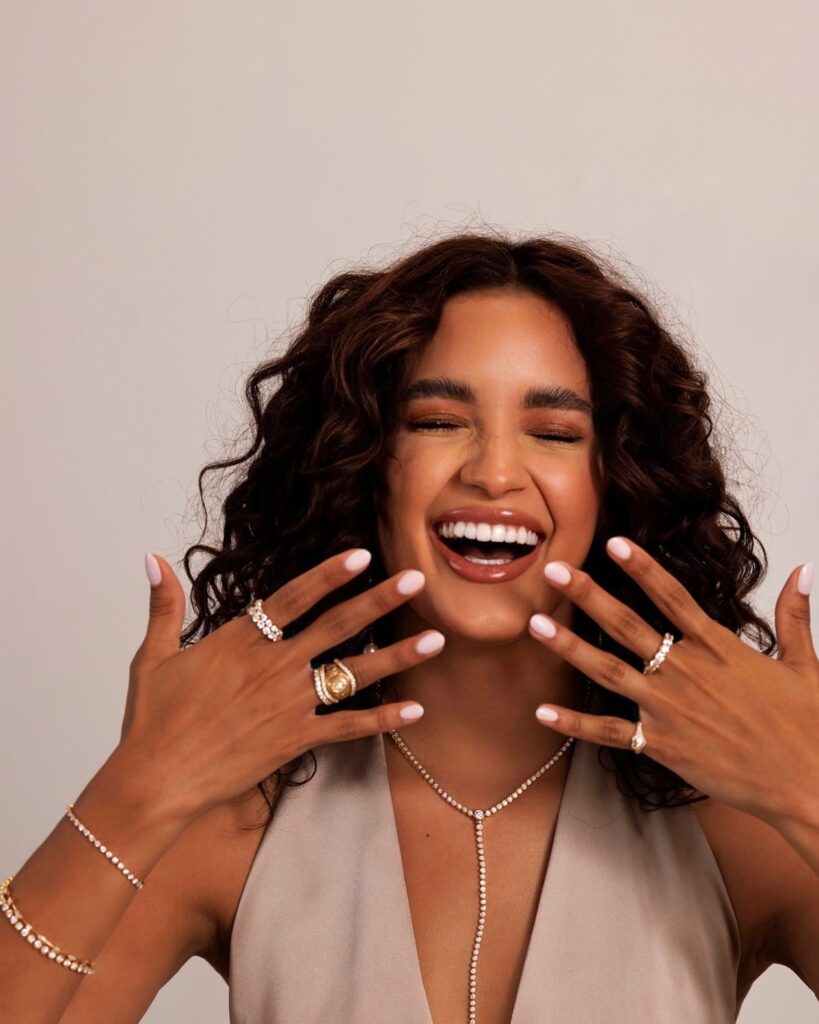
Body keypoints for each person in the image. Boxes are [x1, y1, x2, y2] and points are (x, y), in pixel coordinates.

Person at [2, 231, 817, 1024]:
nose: (493, 472)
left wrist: (808, 790)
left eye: (554, 433)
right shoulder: (236, 819)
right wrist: (141, 786)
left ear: (617, 483)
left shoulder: (736, 824)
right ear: (363, 463)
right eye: (435, 422)